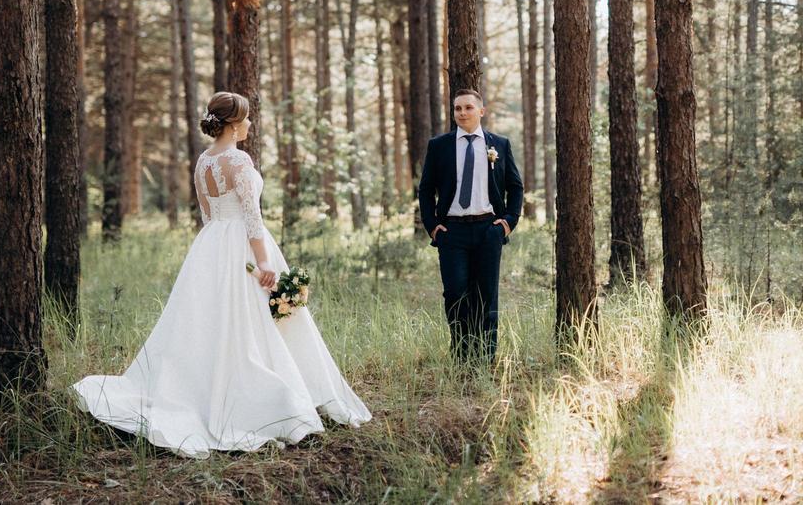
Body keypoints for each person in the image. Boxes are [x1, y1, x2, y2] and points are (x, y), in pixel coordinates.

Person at [73, 91, 370, 458]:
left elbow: (207, 214)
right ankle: (255, 401)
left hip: (210, 245)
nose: (249, 124)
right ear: (231, 124)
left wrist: (221, 243)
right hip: (242, 245)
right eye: (245, 119)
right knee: (249, 323)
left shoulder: (203, 161)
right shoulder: (238, 161)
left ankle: (200, 387)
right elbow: (252, 218)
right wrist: (264, 264)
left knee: (210, 323)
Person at [417, 88, 524, 361]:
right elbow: (426, 189)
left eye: (468, 108)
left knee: (486, 295)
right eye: (457, 109)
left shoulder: (498, 144)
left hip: (489, 229)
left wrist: (508, 223)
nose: (462, 113)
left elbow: (515, 186)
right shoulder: (439, 146)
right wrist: (432, 226)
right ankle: (462, 354)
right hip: (451, 232)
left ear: (481, 111)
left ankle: (485, 359)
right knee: (455, 293)